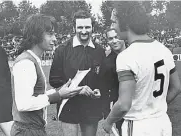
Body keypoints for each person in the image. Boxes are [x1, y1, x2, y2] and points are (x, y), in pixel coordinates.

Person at [102, 2, 181, 136]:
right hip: (163, 122)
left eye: (114, 21)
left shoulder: (126, 56)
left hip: (138, 125)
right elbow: (177, 87)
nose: (112, 26)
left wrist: (108, 122)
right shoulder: (164, 49)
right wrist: (155, 107)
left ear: (126, 23)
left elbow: (123, 104)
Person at [11, 14, 83, 136]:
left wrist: (61, 90)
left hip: (33, 129)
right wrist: (57, 95)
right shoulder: (26, 63)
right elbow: (23, 104)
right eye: (50, 34)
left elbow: (37, 95)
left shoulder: (32, 60)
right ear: (37, 35)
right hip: (27, 131)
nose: (55, 39)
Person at [49, 10, 108, 136]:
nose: (84, 31)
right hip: (69, 105)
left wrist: (99, 90)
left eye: (87, 27)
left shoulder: (99, 51)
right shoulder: (62, 50)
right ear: (74, 28)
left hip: (91, 106)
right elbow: (54, 80)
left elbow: (103, 79)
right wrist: (77, 90)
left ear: (93, 27)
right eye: (80, 27)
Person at [104, 28, 126, 135]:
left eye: (116, 37)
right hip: (122, 110)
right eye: (110, 38)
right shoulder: (107, 63)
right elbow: (107, 89)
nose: (114, 41)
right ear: (107, 41)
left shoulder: (135, 54)